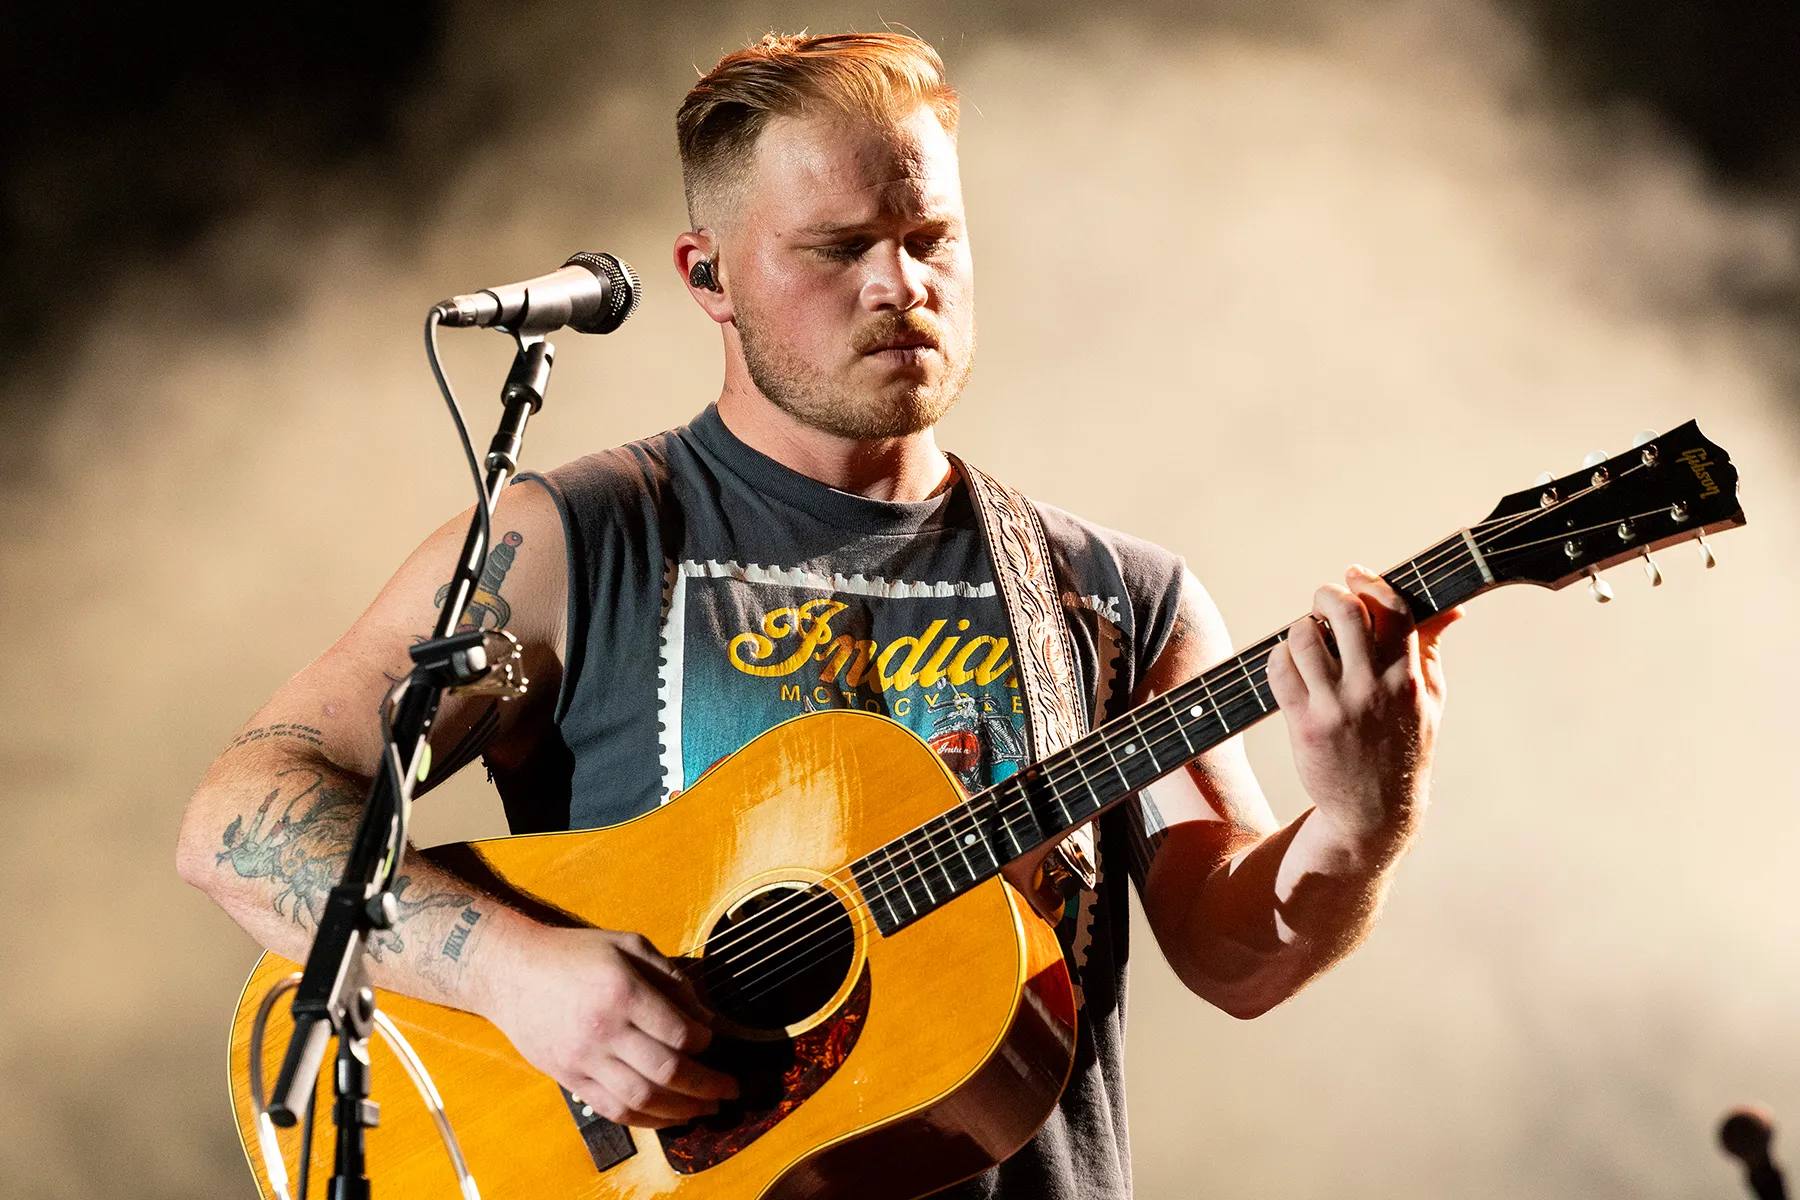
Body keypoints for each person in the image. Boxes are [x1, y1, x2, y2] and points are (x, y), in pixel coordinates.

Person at [177, 30, 1457, 1199]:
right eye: (840, 249)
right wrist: (513, 973)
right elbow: (240, 814)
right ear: (710, 277)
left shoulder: (1116, 595)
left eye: (931, 237)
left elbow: (1233, 956)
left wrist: (1361, 818)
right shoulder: (578, 542)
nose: (901, 284)